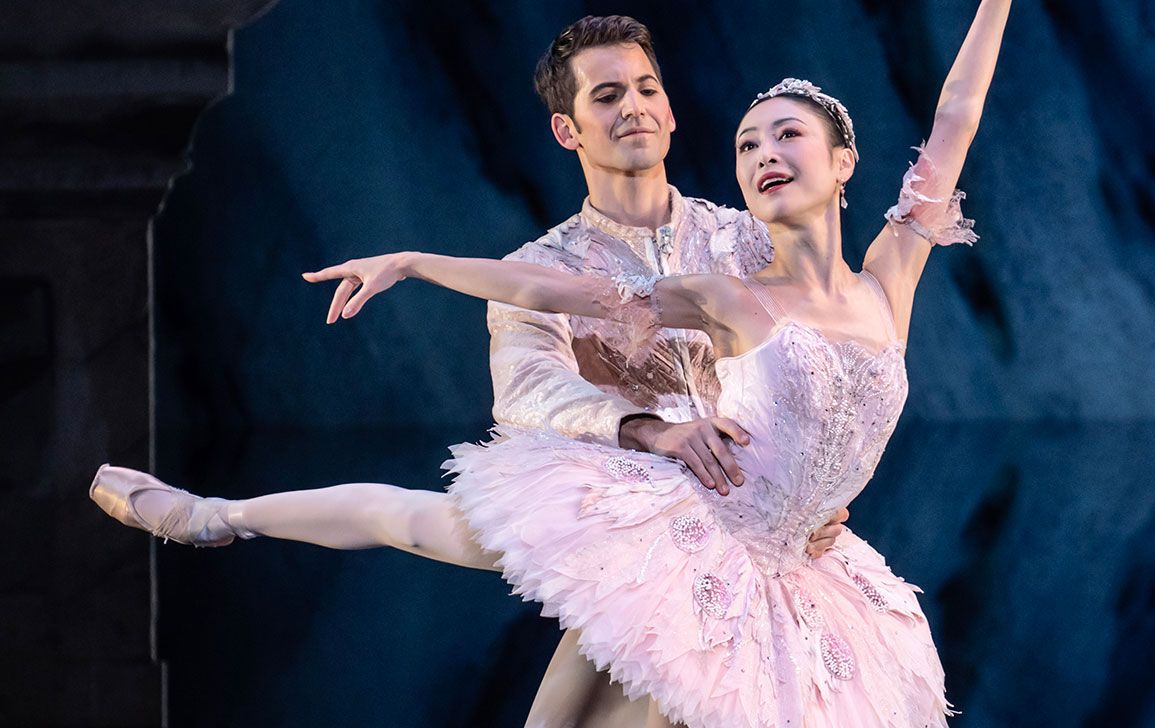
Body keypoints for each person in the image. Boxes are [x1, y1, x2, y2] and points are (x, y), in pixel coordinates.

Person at [94, 0, 1010, 722]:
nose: (764, 156)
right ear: (569, 129)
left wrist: (816, 489)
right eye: (750, 144)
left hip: (786, 545)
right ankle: (217, 516)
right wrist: (416, 262)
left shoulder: (750, 243)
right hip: (639, 501)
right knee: (425, 525)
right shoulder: (665, 276)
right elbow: (542, 344)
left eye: (646, 88)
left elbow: (954, 120)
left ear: (844, 160)